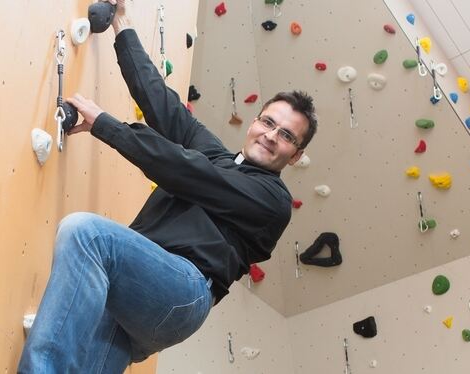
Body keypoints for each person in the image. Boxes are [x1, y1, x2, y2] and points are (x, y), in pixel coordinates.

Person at [17, 0, 317, 372]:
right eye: (268, 122)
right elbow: (161, 102)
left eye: (286, 135)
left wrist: (106, 126)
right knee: (98, 341)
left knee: (88, 235)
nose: (271, 136)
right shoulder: (216, 154)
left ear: (295, 155)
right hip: (137, 293)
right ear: (254, 122)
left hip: (183, 289)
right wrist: (121, 22)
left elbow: (189, 173)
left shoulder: (273, 201)